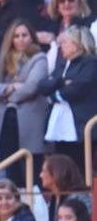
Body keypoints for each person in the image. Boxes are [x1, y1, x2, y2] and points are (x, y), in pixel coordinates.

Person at [0, 20, 50, 184]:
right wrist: (11, 88)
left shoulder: (40, 58)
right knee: (11, 170)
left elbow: (31, 87)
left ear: (31, 37)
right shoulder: (4, 60)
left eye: (24, 35)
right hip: (7, 121)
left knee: (32, 174)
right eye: (16, 36)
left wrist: (6, 94)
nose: (20, 39)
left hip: (30, 125)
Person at [37, 25, 97, 172]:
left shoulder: (90, 62)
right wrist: (62, 82)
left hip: (80, 124)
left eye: (65, 42)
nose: (61, 46)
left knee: (79, 165)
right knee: (61, 165)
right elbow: (43, 85)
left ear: (77, 44)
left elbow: (79, 88)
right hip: (60, 123)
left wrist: (55, 93)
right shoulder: (63, 64)